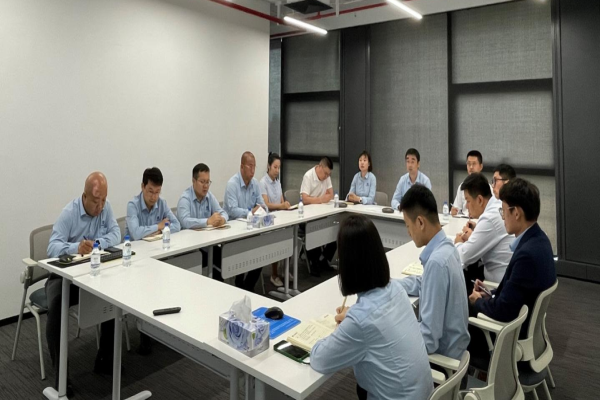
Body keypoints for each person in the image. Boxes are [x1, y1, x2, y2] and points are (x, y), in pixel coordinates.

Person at [311, 215, 433, 400]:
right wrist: (352, 315)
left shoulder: (360, 321)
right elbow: (372, 317)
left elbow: (319, 359)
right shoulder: (396, 290)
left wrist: (342, 327)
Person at [46, 172, 121, 396]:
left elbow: (116, 233)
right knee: (56, 307)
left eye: (104, 200)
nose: (101, 206)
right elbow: (52, 248)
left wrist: (96, 243)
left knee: (114, 297)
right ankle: (61, 376)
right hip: (63, 277)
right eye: (96, 201)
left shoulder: (105, 208)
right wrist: (76, 248)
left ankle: (105, 359)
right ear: (84, 196)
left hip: (92, 274)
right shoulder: (69, 213)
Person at [469, 178, 556, 338]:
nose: (503, 218)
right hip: (526, 323)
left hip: (511, 333)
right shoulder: (540, 239)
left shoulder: (526, 256)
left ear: (516, 213)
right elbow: (517, 291)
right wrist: (489, 293)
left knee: (462, 312)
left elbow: (503, 310)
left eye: (503, 211)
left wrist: (477, 301)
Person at [398, 185, 470, 360]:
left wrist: (393, 329)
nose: (408, 233)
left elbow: (428, 341)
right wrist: (390, 284)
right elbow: (424, 282)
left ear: (420, 222)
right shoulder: (448, 248)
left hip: (443, 363)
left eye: (408, 226)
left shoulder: (436, 264)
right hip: (456, 352)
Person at [454, 173, 513, 290]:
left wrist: (458, 242)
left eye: (468, 201)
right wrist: (476, 232)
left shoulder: (489, 218)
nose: (466, 206)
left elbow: (463, 257)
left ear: (480, 200)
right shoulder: (496, 204)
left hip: (497, 286)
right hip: (504, 278)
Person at [224, 152, 267, 291]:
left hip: (251, 229)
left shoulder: (255, 184)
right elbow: (232, 210)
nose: (253, 170)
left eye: (254, 166)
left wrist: (261, 209)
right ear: (242, 167)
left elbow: (263, 205)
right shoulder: (232, 184)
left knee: (262, 254)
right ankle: (239, 283)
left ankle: (248, 287)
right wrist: (250, 212)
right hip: (234, 232)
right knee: (243, 253)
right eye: (250, 166)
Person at [178, 163, 229, 280]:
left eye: (208, 182)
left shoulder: (209, 196)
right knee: (213, 263)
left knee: (225, 256)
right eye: (202, 182)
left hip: (207, 244)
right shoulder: (185, 198)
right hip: (189, 248)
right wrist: (207, 221)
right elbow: (185, 221)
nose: (206, 186)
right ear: (193, 181)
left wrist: (222, 220)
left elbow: (223, 212)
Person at [300, 157, 337, 276]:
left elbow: (331, 195)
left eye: (329, 174)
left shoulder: (326, 176)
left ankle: (324, 259)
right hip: (307, 218)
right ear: (319, 167)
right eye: (325, 173)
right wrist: (321, 199)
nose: (326, 177)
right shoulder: (308, 176)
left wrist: (315, 199)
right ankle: (314, 262)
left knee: (336, 229)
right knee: (314, 229)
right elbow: (305, 199)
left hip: (322, 214)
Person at [259, 152, 291, 287]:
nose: (277, 170)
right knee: (277, 239)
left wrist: (285, 205)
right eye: (275, 167)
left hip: (280, 217)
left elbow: (282, 200)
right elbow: (266, 204)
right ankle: (274, 274)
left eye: (279, 168)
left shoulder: (278, 182)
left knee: (290, 235)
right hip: (269, 220)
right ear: (269, 166)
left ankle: (285, 269)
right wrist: (281, 206)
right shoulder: (262, 183)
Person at [126, 167, 180, 240]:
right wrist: (158, 226)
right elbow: (136, 233)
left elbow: (177, 225)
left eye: (157, 192)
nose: (154, 197)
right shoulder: (133, 205)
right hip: (135, 246)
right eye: (151, 191)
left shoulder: (162, 203)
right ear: (143, 186)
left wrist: (161, 231)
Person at [451, 150, 484, 216]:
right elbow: (456, 208)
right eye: (469, 164)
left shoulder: (487, 187)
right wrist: (454, 211)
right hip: (464, 219)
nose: (471, 167)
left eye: (474, 164)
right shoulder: (462, 186)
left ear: (480, 167)